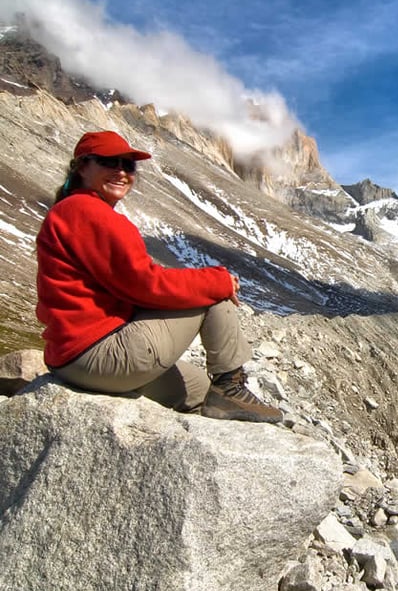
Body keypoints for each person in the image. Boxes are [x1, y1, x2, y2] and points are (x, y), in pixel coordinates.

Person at [35, 130, 282, 423]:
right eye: (109, 162)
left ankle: (222, 402)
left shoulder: (71, 210)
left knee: (201, 393)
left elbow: (132, 285)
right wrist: (218, 281)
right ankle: (230, 386)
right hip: (99, 355)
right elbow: (144, 283)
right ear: (82, 167)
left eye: (129, 165)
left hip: (74, 361)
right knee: (216, 294)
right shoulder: (88, 211)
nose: (122, 172)